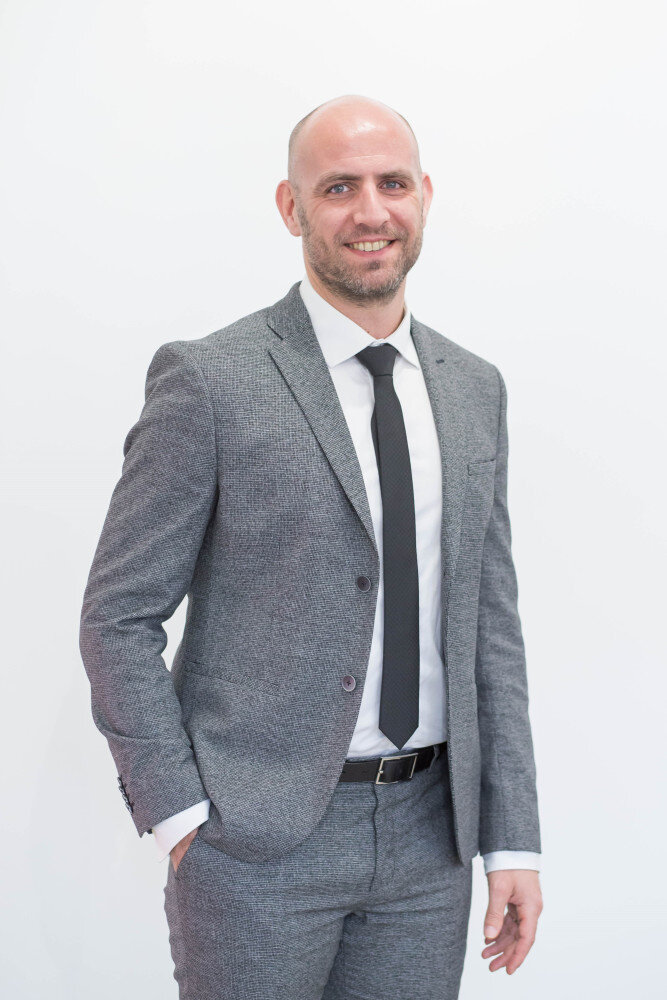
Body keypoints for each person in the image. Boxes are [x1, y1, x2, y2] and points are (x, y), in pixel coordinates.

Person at [79, 93, 543, 999]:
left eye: (392, 184)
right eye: (338, 187)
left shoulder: (472, 389)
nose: (371, 211)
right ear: (291, 208)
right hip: (254, 844)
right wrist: (180, 813)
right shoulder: (209, 380)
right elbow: (118, 616)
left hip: (430, 842)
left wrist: (511, 841)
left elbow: (490, 631)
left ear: (424, 196)